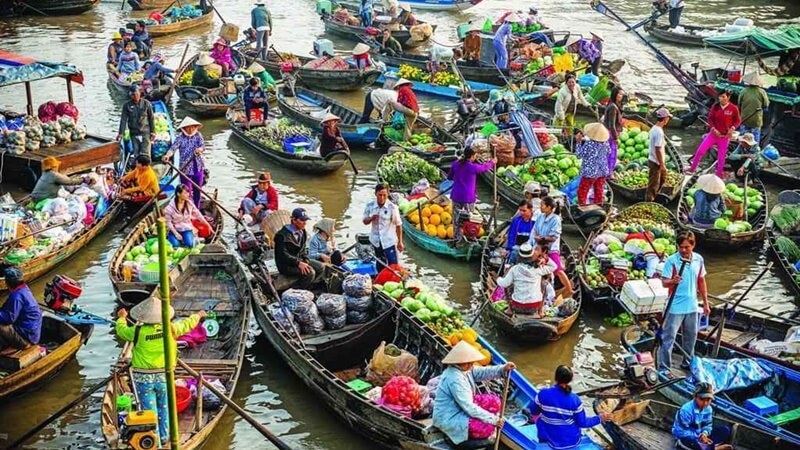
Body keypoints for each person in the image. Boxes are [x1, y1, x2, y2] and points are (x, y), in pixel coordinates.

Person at [115, 297, 205, 447]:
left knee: (150, 411)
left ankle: (154, 441)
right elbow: (187, 324)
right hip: (164, 376)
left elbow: (122, 331)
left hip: (143, 379)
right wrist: (198, 315)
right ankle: (164, 436)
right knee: (165, 407)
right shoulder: (170, 328)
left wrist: (122, 319)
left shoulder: (137, 331)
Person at [433, 340, 515, 447]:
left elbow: (481, 372)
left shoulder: (465, 369)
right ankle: (455, 439)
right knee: (487, 427)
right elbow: (469, 407)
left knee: (494, 401)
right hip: (450, 417)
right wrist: (494, 420)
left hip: (460, 407)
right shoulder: (454, 378)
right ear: (458, 362)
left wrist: (502, 368)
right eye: (467, 362)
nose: (471, 365)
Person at [660, 231, 709, 371]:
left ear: (693, 246)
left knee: (691, 337)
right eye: (680, 247)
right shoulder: (672, 261)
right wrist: (672, 281)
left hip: (692, 306)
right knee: (669, 338)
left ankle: (687, 363)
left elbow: (701, 280)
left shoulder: (698, 259)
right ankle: (664, 368)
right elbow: (664, 282)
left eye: (686, 247)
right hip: (675, 306)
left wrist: (705, 302)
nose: (683, 250)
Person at [531, 366, 612, 449]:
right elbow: (582, 423)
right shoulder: (575, 400)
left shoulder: (542, 394)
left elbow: (534, 411)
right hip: (570, 442)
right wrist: (600, 418)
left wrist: (540, 423)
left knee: (541, 420)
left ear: (555, 377)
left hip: (547, 439)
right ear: (571, 380)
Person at [688, 91, 741, 178]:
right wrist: (713, 128)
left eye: (723, 97)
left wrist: (732, 128)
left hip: (724, 136)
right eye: (720, 97)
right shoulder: (715, 106)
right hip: (713, 134)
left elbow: (738, 120)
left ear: (728, 97)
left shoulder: (733, 108)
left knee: (721, 156)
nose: (721, 99)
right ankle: (692, 168)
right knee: (700, 151)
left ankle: (719, 174)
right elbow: (710, 119)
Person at [448, 147, 495, 242]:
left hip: (456, 195)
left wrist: (459, 178)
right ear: (472, 156)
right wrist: (493, 162)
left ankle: (457, 238)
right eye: (475, 155)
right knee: (469, 219)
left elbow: (449, 177)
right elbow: (484, 167)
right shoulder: (472, 167)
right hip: (468, 198)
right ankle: (469, 238)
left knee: (456, 218)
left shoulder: (456, 164)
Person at [529, 196, 574, 295]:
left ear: (549, 207)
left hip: (551, 248)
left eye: (542, 205)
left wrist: (543, 238)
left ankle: (569, 289)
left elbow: (554, 237)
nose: (540, 207)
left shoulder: (556, 219)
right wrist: (536, 238)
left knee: (557, 270)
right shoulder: (540, 216)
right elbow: (535, 229)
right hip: (539, 247)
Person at [496, 243, 557, 315]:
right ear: (532, 256)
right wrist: (546, 260)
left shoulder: (515, 269)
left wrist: (498, 279)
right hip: (535, 307)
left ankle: (510, 309)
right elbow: (554, 266)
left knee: (509, 285)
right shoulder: (538, 269)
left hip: (517, 306)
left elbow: (503, 284)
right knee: (544, 284)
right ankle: (540, 311)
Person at [274, 208, 325, 289]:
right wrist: (298, 263)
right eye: (302, 220)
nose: (305, 223)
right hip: (286, 265)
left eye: (305, 220)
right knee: (310, 272)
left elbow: (303, 250)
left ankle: (308, 285)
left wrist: (306, 260)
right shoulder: (281, 236)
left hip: (299, 260)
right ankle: (295, 290)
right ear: (294, 220)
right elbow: (283, 256)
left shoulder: (303, 232)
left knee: (320, 267)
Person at [161, 117, 207, 207]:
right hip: (185, 169)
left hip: (198, 167)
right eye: (188, 127)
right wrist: (167, 155)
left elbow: (202, 146)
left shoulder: (198, 135)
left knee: (198, 190)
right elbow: (172, 148)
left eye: (192, 127)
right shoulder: (180, 138)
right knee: (186, 192)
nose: (190, 129)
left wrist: (199, 150)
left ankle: (196, 209)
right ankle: (187, 210)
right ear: (184, 128)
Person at [673, 383, 733, 450]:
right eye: (702, 399)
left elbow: (708, 425)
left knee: (725, 430)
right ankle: (714, 448)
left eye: (708, 400)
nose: (705, 403)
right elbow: (680, 432)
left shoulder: (709, 409)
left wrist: (705, 434)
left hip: (701, 436)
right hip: (687, 438)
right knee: (687, 442)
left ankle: (708, 447)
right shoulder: (686, 410)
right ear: (695, 397)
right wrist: (699, 437)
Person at [0, 267, 42, 353]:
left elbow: (8, 319)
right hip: (31, 332)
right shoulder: (24, 289)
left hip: (28, 336)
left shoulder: (16, 297)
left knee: (2, 326)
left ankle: (23, 344)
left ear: (7, 282)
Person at [363, 183, 404, 265]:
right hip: (376, 241)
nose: (382, 198)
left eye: (384, 195)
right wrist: (371, 219)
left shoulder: (392, 207)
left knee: (393, 266)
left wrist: (400, 242)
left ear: (388, 194)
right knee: (380, 264)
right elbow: (364, 221)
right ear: (375, 194)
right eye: (379, 195)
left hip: (389, 242)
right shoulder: (370, 205)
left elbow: (398, 225)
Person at [575, 123, 611, 206]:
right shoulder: (605, 143)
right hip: (602, 171)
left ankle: (583, 207)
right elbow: (609, 151)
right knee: (599, 190)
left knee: (582, 191)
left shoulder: (589, 144)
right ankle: (599, 206)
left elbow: (578, 155)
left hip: (590, 172)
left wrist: (578, 143)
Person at [117, 86, 155, 159]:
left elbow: (151, 118)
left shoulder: (146, 104)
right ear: (130, 95)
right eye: (133, 95)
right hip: (134, 133)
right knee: (136, 154)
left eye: (137, 94)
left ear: (140, 94)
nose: (135, 96)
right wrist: (121, 133)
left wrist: (153, 131)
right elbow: (123, 120)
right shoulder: (127, 105)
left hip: (145, 132)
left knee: (146, 154)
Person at [647, 107, 673, 202]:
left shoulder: (654, 128)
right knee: (653, 185)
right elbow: (658, 149)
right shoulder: (658, 132)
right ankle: (649, 202)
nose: (668, 120)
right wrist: (662, 165)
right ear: (665, 119)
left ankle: (654, 199)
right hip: (656, 162)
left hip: (654, 160)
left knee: (660, 181)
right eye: (668, 118)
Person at [738, 71, 770, 144]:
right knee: (755, 141)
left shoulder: (743, 91)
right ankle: (754, 153)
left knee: (743, 138)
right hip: (756, 120)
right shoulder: (762, 92)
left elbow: (739, 104)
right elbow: (766, 105)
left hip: (745, 118)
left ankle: (742, 150)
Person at [603, 86, 625, 173]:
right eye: (619, 94)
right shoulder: (613, 107)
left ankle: (608, 172)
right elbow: (612, 125)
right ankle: (608, 173)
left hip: (611, 133)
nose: (621, 96)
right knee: (611, 154)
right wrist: (615, 138)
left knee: (610, 153)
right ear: (615, 94)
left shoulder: (614, 105)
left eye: (622, 94)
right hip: (611, 134)